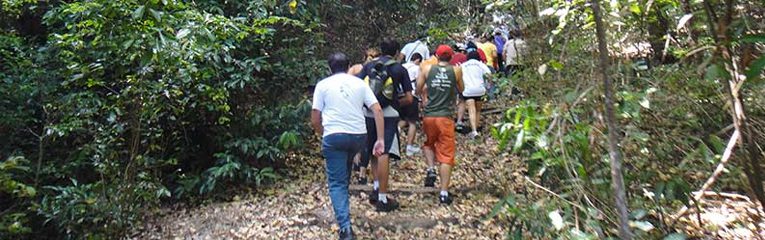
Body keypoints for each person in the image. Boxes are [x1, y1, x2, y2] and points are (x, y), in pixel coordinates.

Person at [311, 52, 386, 240]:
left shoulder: (323, 85)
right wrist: (380, 139)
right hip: (358, 137)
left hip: (334, 136)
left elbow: (315, 117)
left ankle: (345, 228)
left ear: (329, 67)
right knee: (343, 177)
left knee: (336, 182)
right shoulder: (360, 84)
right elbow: (376, 109)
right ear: (349, 65)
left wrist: (323, 133)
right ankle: (344, 213)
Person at [357, 38, 414, 212]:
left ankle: (375, 187)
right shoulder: (399, 69)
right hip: (388, 115)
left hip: (369, 113)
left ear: (380, 50)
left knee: (374, 150)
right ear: (397, 52)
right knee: (384, 151)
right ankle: (382, 197)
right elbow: (409, 98)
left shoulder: (368, 66)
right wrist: (396, 104)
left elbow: (358, 86)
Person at [415, 45, 463, 205]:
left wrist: (427, 94)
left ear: (436, 55)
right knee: (446, 155)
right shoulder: (456, 71)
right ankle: (443, 192)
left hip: (429, 115)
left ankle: (430, 169)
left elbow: (418, 89)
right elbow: (462, 89)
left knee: (429, 144)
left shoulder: (427, 69)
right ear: (451, 57)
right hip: (446, 117)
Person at [456, 51, 492, 139]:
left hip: (468, 90)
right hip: (480, 90)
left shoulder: (463, 65)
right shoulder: (481, 65)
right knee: (478, 110)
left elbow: (458, 75)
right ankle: (475, 129)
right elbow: (489, 75)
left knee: (471, 109)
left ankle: (474, 131)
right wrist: (487, 87)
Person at [401, 53, 423, 156]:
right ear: (418, 60)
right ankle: (409, 147)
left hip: (400, 96)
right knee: (412, 122)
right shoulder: (416, 68)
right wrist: (419, 95)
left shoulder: (402, 66)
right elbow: (419, 83)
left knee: (402, 119)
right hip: (412, 95)